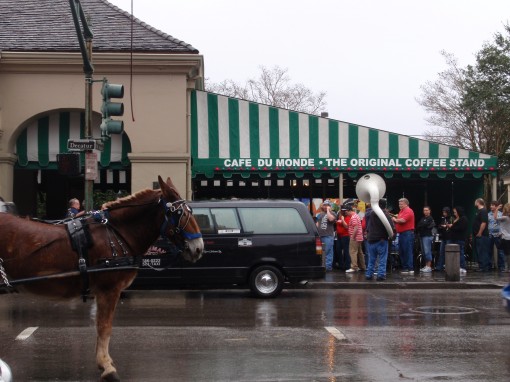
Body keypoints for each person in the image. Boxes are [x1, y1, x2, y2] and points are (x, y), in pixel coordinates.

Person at [365, 198, 395, 281]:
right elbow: (391, 227)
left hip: (371, 239)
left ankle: (369, 274)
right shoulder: (385, 214)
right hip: (381, 239)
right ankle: (381, 275)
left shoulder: (371, 213)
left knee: (371, 259)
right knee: (382, 258)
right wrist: (392, 236)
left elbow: (368, 226)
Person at [392, 198, 415, 274]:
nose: (399, 205)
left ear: (406, 204)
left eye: (401, 204)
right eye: (399, 204)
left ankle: (410, 268)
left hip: (407, 233)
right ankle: (405, 267)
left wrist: (395, 219)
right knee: (402, 251)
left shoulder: (409, 210)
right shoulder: (401, 211)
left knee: (407, 250)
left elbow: (403, 220)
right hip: (402, 233)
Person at [316, 200, 337, 271]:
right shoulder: (319, 215)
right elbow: (317, 225)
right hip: (320, 236)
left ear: (330, 206)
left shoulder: (333, 213)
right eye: (324, 205)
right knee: (320, 252)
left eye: (327, 205)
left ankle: (327, 267)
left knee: (328, 251)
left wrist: (328, 210)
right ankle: (323, 266)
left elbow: (331, 219)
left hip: (328, 236)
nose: (325, 206)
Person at [446, 206, 469, 275]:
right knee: (454, 253)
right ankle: (455, 266)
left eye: (455, 212)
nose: (454, 214)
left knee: (460, 252)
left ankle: (462, 267)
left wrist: (452, 226)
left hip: (459, 239)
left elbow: (460, 228)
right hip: (454, 238)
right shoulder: (457, 219)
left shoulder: (463, 219)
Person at [345, 206, 365, 273]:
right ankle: (362, 266)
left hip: (355, 237)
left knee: (352, 252)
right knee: (360, 252)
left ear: (349, 210)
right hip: (359, 237)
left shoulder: (353, 217)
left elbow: (355, 228)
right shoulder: (356, 216)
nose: (345, 213)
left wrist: (352, 237)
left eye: (346, 212)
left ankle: (354, 267)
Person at [416, 206, 435, 273]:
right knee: (424, 252)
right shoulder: (422, 218)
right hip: (422, 236)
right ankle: (426, 265)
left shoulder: (430, 218)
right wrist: (423, 225)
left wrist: (422, 225)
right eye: (424, 210)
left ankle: (429, 266)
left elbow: (426, 225)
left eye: (427, 210)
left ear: (430, 211)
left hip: (427, 236)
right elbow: (418, 225)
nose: (425, 212)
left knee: (427, 251)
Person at [473, 198, 490, 272]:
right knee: (479, 251)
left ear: (478, 202)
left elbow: (484, 223)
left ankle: (484, 267)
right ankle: (481, 266)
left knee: (482, 251)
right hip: (478, 235)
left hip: (482, 235)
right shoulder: (479, 211)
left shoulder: (483, 211)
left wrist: (480, 232)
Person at [488, 201, 505, 271]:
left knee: (500, 251)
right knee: (489, 251)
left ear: (496, 206)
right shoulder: (488, 214)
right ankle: (489, 266)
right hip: (490, 234)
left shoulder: (500, 214)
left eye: (492, 205)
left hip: (498, 235)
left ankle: (501, 267)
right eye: (491, 205)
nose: (491, 206)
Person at [435, 207, 453, 271]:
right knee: (441, 252)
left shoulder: (451, 218)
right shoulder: (443, 219)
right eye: (443, 212)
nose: (444, 213)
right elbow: (439, 226)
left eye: (445, 212)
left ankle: (449, 266)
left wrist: (446, 226)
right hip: (443, 237)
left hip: (449, 237)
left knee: (448, 252)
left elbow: (452, 226)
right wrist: (442, 227)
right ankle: (439, 266)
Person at [335, 206, 351, 270]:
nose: (343, 212)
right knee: (338, 250)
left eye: (344, 210)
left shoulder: (348, 217)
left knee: (346, 251)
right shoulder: (339, 217)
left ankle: (347, 265)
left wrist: (343, 219)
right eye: (342, 210)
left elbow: (346, 226)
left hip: (345, 236)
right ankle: (341, 264)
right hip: (339, 236)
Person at [496, 203, 510, 272]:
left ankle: (507, 268)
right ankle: (507, 267)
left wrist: (497, 209)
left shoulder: (505, 217)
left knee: (506, 253)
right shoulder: (508, 217)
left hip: (505, 237)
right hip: (508, 237)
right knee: (506, 252)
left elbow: (495, 217)